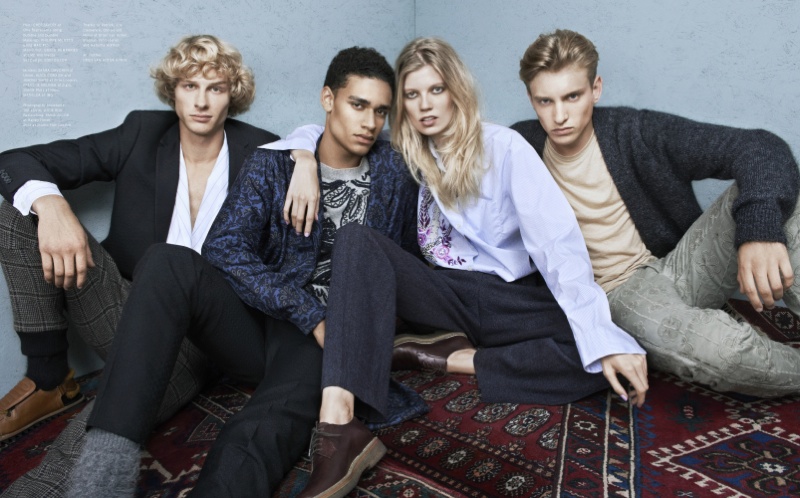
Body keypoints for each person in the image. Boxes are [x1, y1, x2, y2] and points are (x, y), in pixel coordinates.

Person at [295, 37, 649, 498]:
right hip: (443, 294)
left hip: (508, 297)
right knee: (355, 240)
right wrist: (303, 156)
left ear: (456, 90)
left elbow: (557, 247)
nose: (425, 105)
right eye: (413, 95)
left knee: (604, 354)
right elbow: (329, 128)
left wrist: (600, 335)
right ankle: (339, 428)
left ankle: (451, 357)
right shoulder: (405, 151)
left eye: (436, 90)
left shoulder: (503, 147)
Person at [63, 46, 418, 498]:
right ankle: (103, 474)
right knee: (166, 260)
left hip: (324, 339)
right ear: (328, 99)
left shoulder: (394, 171)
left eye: (381, 111)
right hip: (262, 320)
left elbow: (404, 261)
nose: (370, 122)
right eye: (359, 105)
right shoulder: (275, 163)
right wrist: (305, 310)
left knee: (262, 426)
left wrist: (362, 329)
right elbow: (224, 246)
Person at [0, 34, 277, 495]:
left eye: (216, 88)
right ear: (173, 91)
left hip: (199, 343)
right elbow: (14, 161)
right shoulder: (141, 133)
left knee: (114, 410)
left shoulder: (265, 151)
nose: (202, 102)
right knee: (17, 211)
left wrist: (304, 155)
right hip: (126, 308)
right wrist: (53, 206)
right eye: (190, 86)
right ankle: (48, 377)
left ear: (234, 94)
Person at [511, 29, 800, 397]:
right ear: (530, 99)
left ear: (595, 89)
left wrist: (759, 233)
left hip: (681, 261)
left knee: (778, 199)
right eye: (545, 101)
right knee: (723, 354)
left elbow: (760, 147)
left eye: (572, 96)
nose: (560, 115)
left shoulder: (633, 132)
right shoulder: (519, 148)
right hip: (620, 293)